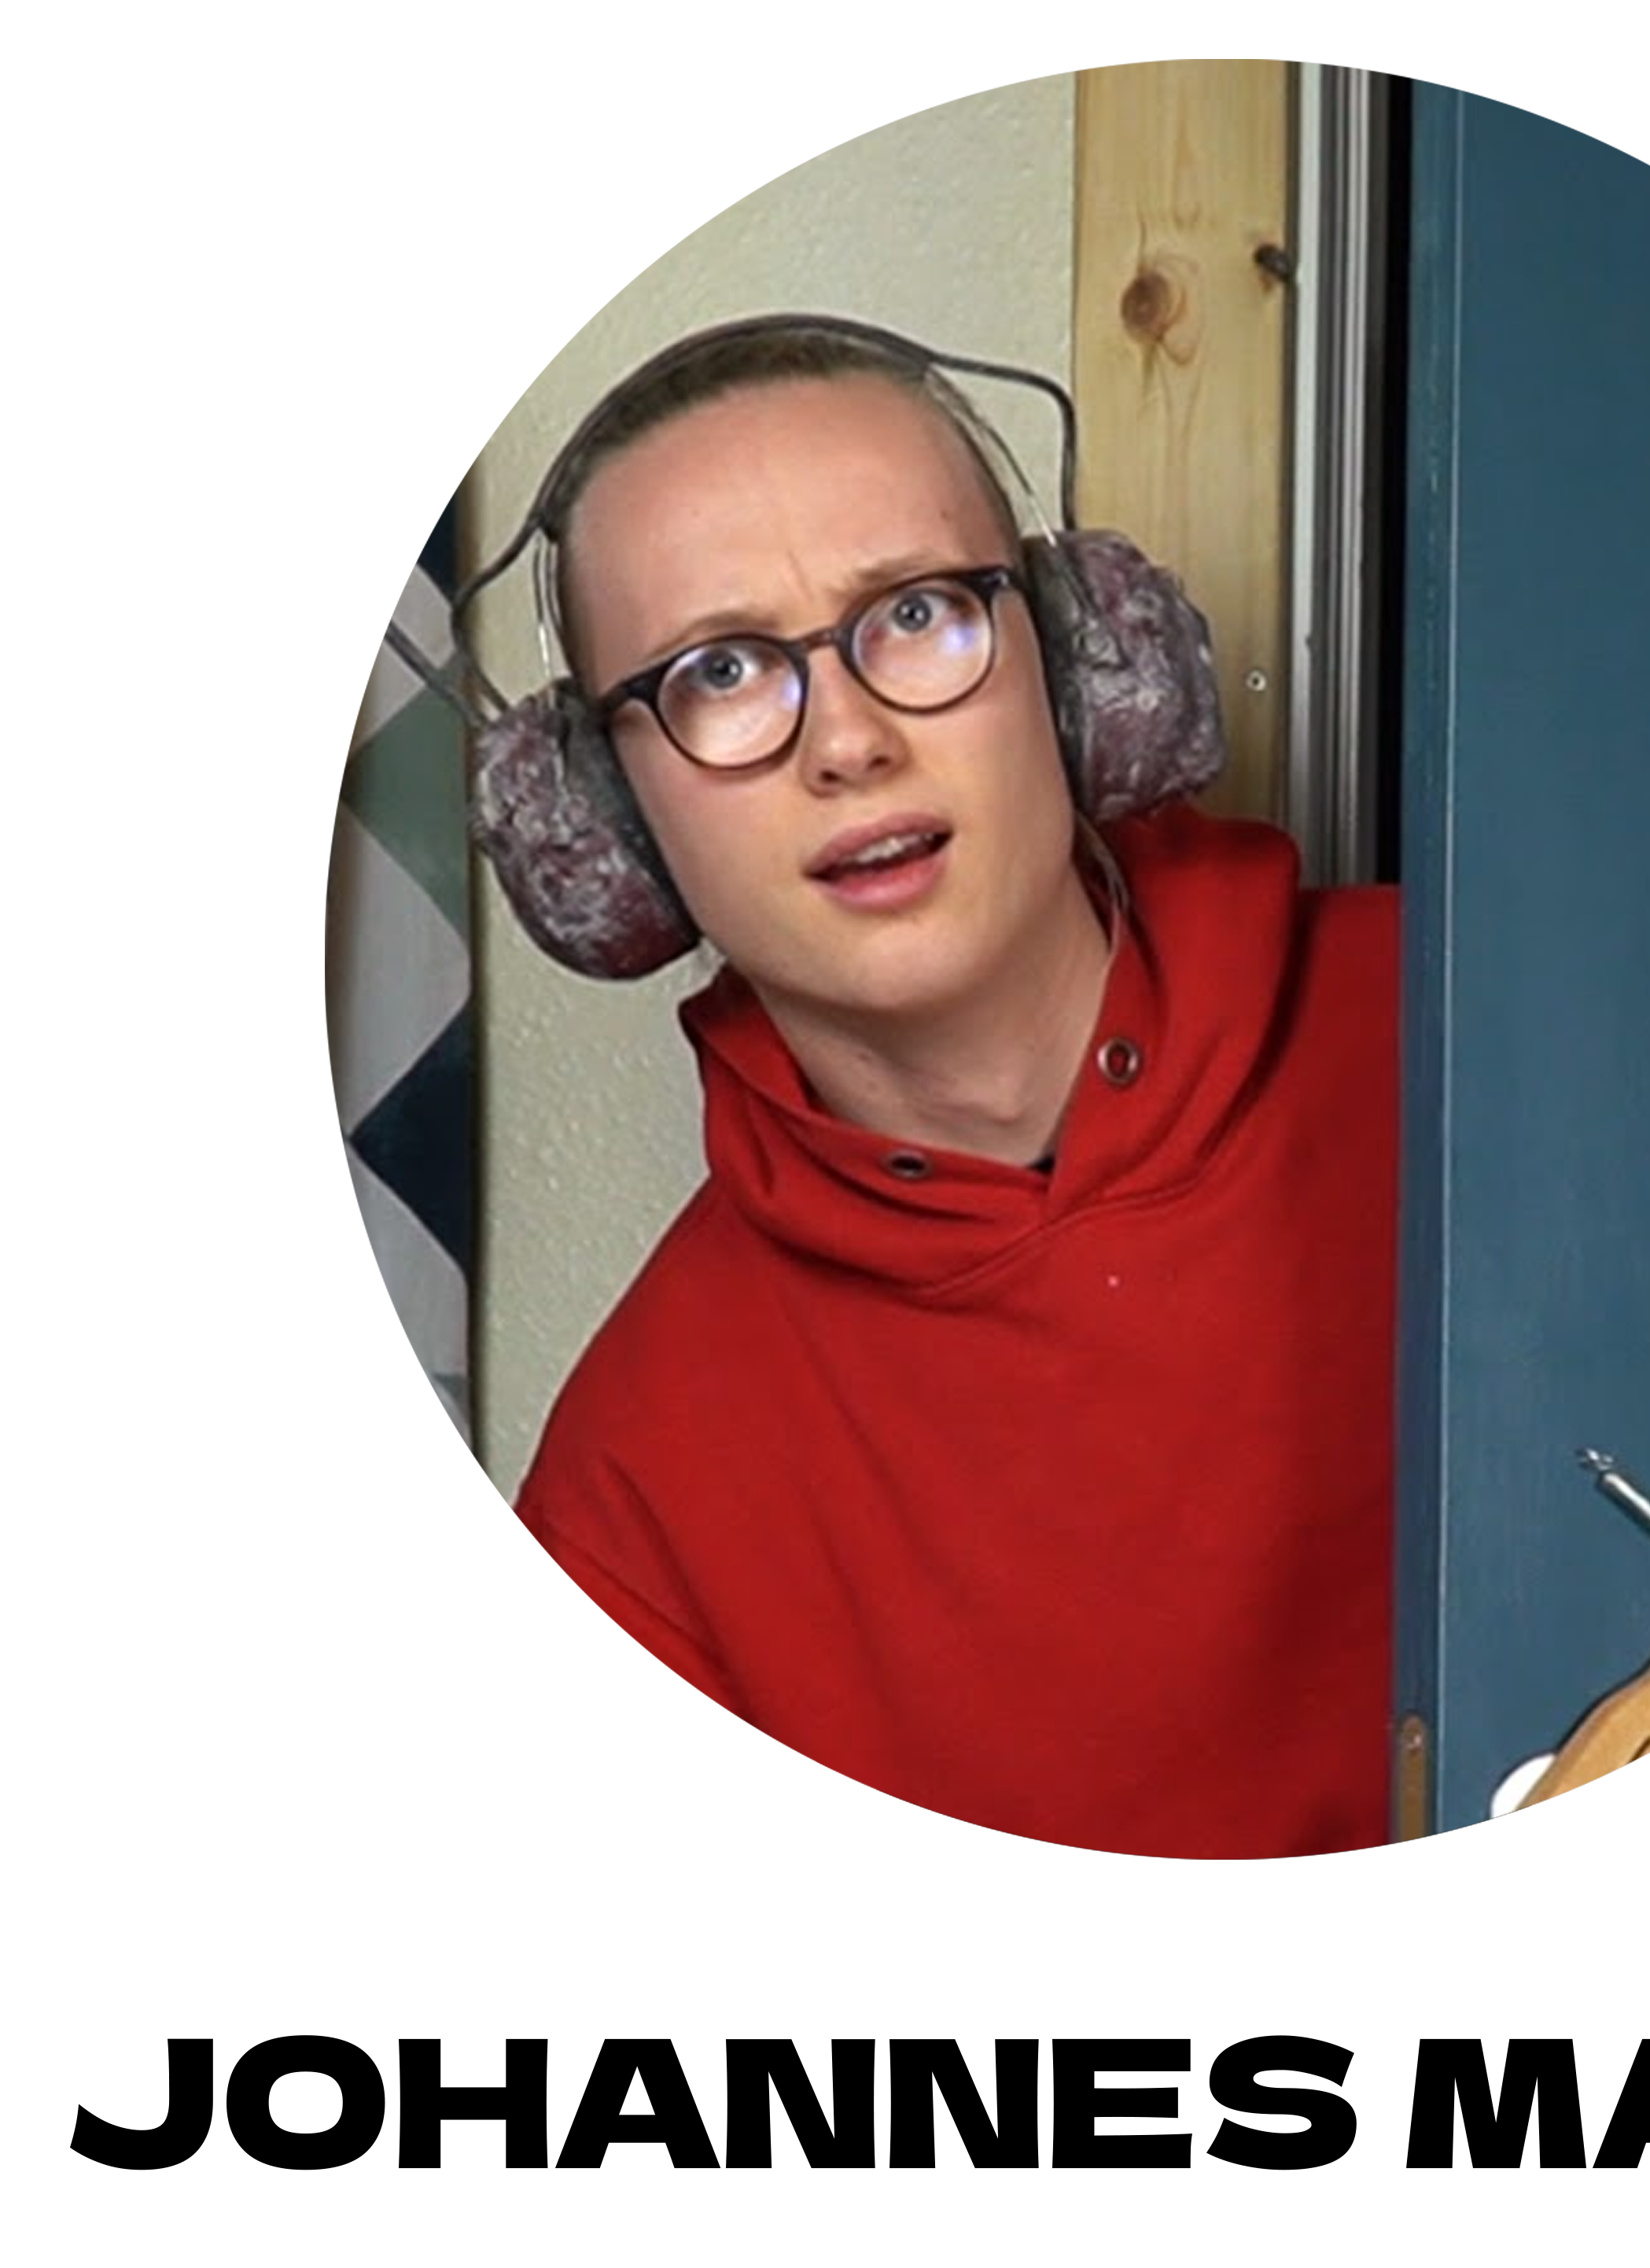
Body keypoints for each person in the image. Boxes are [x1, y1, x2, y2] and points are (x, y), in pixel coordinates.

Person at [491, 321, 1401, 1858]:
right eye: (721, 671)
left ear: (1081, 663)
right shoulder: (626, 1519)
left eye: (916, 613)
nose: (848, 742)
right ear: (606, 820)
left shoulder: (1484, 1020)